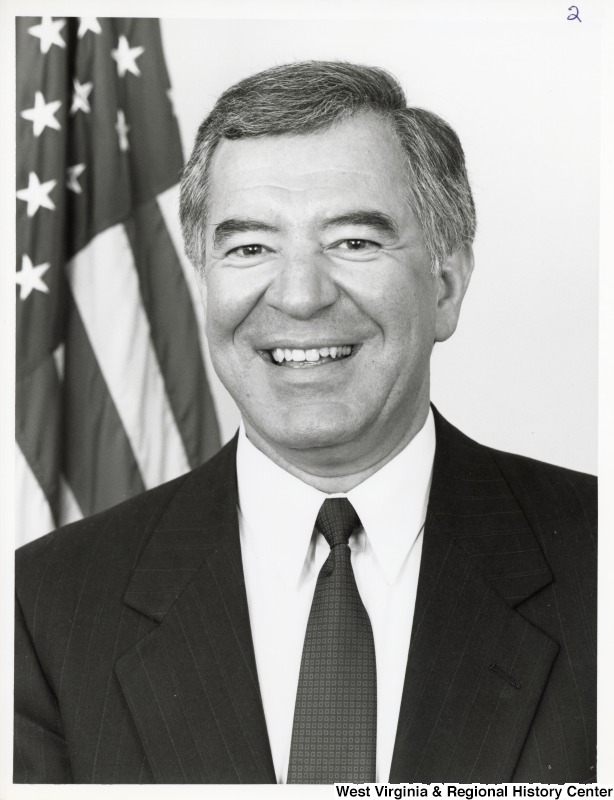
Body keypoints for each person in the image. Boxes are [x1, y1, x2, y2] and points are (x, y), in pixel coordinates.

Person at [14, 61, 596, 785]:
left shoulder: (594, 559)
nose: (298, 295)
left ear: (445, 287)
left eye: (354, 240)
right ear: (204, 281)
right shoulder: (46, 607)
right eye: (250, 247)